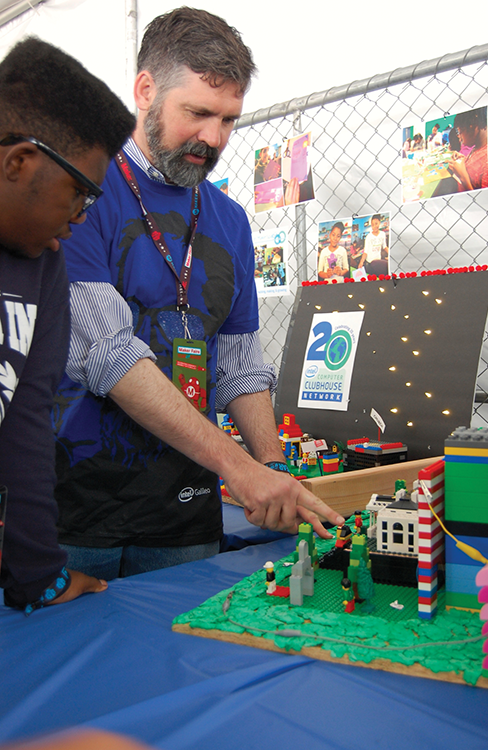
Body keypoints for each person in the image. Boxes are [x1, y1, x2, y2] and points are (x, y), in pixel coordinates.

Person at [53, 8, 345, 581]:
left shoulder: (231, 221)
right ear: (145, 91)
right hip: (75, 507)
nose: (214, 139)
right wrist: (239, 467)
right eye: (198, 113)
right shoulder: (82, 190)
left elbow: (238, 366)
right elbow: (108, 357)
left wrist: (271, 465)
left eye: (230, 120)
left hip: (184, 509)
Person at [0, 38, 136, 612]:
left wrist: (39, 575)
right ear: (18, 162)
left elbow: (27, 423)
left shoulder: (44, 265)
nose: (79, 219)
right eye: (78, 194)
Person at [447, 106, 488, 191]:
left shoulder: (487, 161)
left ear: (471, 125)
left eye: (460, 131)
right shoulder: (476, 147)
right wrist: (464, 159)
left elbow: (483, 200)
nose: (460, 137)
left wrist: (463, 177)